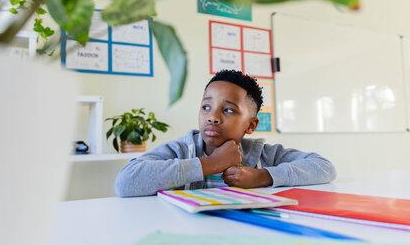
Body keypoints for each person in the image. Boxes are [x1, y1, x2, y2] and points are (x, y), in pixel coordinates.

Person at [115, 69, 335, 197]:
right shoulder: (179, 150)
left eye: (228, 110)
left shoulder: (265, 155)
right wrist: (210, 164)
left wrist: (263, 176)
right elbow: (125, 182)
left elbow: (324, 167)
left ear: (251, 125)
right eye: (206, 107)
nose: (213, 117)